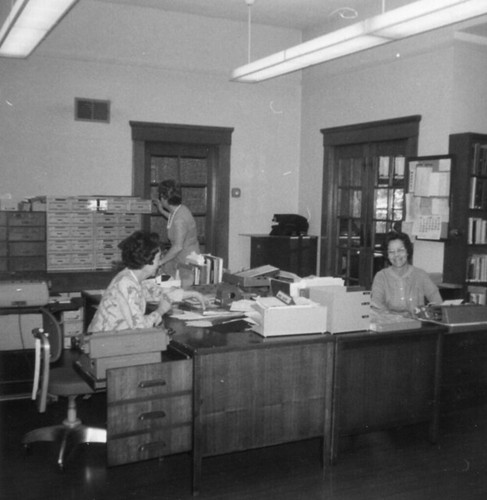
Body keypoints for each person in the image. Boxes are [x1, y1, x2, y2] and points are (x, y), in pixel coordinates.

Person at [87, 230, 205, 333]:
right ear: (146, 260)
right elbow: (140, 328)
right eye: (158, 258)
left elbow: (156, 291)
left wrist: (192, 294)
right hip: (105, 347)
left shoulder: (130, 276)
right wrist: (161, 310)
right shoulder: (126, 284)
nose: (159, 264)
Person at [370, 231, 442, 317]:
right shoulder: (381, 276)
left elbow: (438, 302)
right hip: (389, 325)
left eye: (400, 250)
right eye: (391, 252)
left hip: (417, 326)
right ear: (387, 255)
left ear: (407, 251)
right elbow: (376, 306)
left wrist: (424, 314)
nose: (396, 255)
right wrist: (397, 317)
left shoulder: (420, 274)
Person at [153, 179, 200, 288]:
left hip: (186, 260)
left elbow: (178, 246)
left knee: (181, 291)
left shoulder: (180, 219)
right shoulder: (180, 210)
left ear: (163, 198)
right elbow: (172, 218)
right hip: (182, 257)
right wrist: (161, 210)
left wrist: (160, 262)